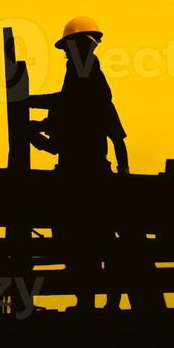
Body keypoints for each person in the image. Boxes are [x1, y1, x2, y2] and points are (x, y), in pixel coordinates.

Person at [30, 16, 129, 310]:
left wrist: (28, 104)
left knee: (86, 238)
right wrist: (37, 133)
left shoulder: (90, 94)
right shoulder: (90, 97)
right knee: (85, 240)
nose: (68, 56)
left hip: (83, 177)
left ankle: (102, 300)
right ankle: (91, 300)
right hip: (87, 174)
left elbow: (71, 110)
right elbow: (63, 132)